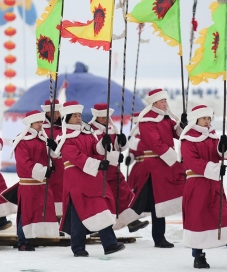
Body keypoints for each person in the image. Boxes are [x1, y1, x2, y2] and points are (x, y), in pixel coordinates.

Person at [180, 105, 227, 268]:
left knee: (222, 215)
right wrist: (215, 168)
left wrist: (223, 148)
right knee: (197, 219)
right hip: (196, 184)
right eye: (205, 118)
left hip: (214, 184)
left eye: (209, 118)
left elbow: (220, 156)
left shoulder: (213, 137)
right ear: (196, 118)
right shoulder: (187, 139)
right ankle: (198, 256)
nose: (208, 121)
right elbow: (192, 162)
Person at [57, 101, 125, 257]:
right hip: (76, 178)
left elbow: (95, 149)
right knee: (78, 213)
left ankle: (109, 244)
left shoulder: (87, 133)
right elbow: (76, 157)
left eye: (79, 115)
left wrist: (103, 143)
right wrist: (99, 164)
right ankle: (78, 246)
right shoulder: (65, 137)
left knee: (100, 208)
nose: (78, 118)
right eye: (74, 115)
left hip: (92, 176)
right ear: (67, 117)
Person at [127, 88, 186, 248]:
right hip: (155, 167)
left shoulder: (165, 117)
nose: (165, 103)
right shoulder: (147, 120)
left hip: (166, 165)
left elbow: (177, 133)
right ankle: (158, 237)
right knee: (157, 202)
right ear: (154, 103)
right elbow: (155, 144)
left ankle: (164, 236)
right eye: (162, 101)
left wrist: (182, 124)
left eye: (166, 100)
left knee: (161, 202)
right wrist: (174, 158)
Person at [89, 103, 148, 233]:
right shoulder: (90, 130)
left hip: (114, 169)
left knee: (124, 193)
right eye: (102, 117)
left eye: (107, 116)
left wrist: (121, 143)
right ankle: (105, 228)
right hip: (100, 171)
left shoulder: (112, 128)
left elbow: (118, 148)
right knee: (106, 199)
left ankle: (131, 221)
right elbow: (93, 151)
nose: (105, 119)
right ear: (97, 116)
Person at [12, 110, 59, 251]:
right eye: (38, 122)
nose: (41, 124)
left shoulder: (43, 139)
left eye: (41, 121)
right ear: (30, 123)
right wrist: (44, 170)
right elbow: (24, 163)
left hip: (42, 183)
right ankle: (22, 241)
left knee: (40, 210)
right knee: (26, 212)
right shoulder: (21, 141)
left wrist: (54, 147)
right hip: (29, 184)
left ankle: (33, 236)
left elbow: (55, 157)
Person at [41, 99, 64, 219]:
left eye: (57, 112)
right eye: (52, 113)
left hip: (61, 168)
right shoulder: (41, 128)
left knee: (60, 194)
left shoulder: (64, 128)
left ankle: (60, 220)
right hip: (46, 167)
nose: (55, 115)